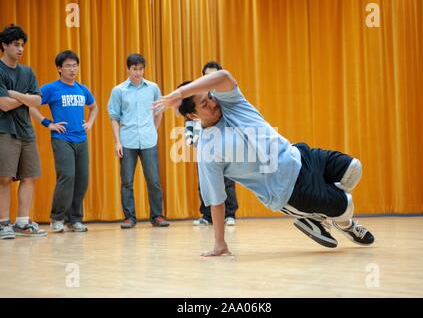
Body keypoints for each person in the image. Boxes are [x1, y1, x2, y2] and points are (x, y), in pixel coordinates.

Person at [153, 69, 375, 256]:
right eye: (204, 104)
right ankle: (344, 222)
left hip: (299, 156)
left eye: (210, 96)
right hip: (287, 190)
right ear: (193, 116)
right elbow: (216, 199)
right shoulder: (207, 150)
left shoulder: (230, 102)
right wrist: (220, 243)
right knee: (345, 204)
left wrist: (181, 92)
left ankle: (314, 216)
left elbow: (224, 75)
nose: (212, 102)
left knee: (353, 168)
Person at [29, 50, 98, 233]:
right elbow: (31, 105)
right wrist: (47, 123)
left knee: (82, 179)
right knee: (67, 176)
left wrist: (89, 123)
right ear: (59, 68)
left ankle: (74, 220)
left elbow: (94, 107)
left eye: (75, 65)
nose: (72, 69)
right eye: (68, 65)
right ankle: (57, 218)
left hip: (81, 139)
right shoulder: (51, 88)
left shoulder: (82, 89)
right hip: (62, 139)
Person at [108, 53, 169, 228]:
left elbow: (159, 112)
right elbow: (114, 117)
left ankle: (157, 216)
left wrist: (153, 131)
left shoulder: (153, 88)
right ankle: (129, 217)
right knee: (126, 181)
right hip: (127, 141)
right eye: (134, 69)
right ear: (128, 69)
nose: (138, 72)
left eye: (141, 69)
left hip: (149, 140)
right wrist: (117, 142)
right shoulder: (119, 90)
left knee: (154, 180)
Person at [0, 24, 47, 239]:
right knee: (5, 177)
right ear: (4, 45)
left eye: (22, 45)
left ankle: (22, 222)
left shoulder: (27, 72)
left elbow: (38, 99)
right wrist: (25, 98)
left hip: (26, 131)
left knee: (29, 176)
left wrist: (16, 94)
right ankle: (3, 224)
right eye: (16, 45)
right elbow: (4, 104)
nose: (20, 49)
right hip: (5, 130)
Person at [185, 62, 238, 227]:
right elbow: (189, 120)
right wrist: (190, 139)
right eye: (207, 76)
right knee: (205, 182)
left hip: (225, 146)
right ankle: (207, 216)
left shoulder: (223, 98)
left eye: (214, 76)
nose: (211, 79)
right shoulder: (198, 97)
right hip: (204, 147)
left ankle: (230, 215)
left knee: (227, 181)